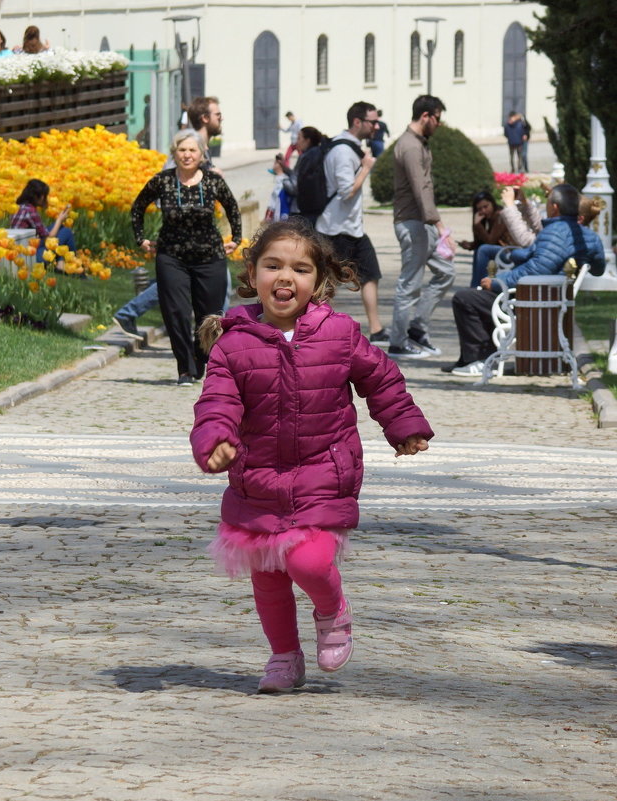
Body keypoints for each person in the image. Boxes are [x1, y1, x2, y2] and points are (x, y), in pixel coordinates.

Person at [191, 216, 433, 693]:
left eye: (300, 269)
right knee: (268, 577)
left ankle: (332, 608)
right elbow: (216, 401)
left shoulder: (338, 334)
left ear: (318, 282)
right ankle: (284, 657)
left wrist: (403, 426)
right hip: (257, 481)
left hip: (324, 472)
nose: (286, 277)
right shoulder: (232, 344)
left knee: (306, 561)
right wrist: (215, 441)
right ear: (253, 275)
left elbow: (380, 378)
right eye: (273, 266)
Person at [447, 183, 605, 376]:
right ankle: (476, 357)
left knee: (465, 299)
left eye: (548, 202)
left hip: (534, 302)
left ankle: (479, 360)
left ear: (554, 207)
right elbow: (598, 269)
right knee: (477, 296)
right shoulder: (590, 237)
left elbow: (536, 270)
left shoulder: (555, 232)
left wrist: (497, 281)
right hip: (552, 300)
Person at [131, 128, 242, 385]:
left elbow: (232, 208)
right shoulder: (163, 180)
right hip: (172, 256)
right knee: (176, 312)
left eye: (192, 150)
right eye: (182, 150)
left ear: (202, 153)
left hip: (209, 256)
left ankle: (201, 357)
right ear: (175, 153)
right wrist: (141, 239)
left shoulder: (213, 181)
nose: (187, 155)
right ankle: (184, 368)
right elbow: (138, 208)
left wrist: (236, 238)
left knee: (209, 316)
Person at [389, 94, 454, 359]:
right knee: (410, 283)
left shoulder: (418, 143)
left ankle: (417, 329)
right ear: (425, 116)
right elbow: (420, 189)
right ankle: (398, 342)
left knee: (446, 272)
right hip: (413, 222)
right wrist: (440, 226)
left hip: (422, 222)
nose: (440, 124)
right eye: (438, 118)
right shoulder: (411, 146)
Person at [316, 101, 387, 343]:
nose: (376, 126)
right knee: (327, 282)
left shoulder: (353, 148)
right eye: (372, 121)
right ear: (358, 122)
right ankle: (316, 328)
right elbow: (346, 191)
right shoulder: (342, 151)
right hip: (335, 229)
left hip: (353, 228)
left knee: (370, 273)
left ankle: (376, 329)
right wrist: (366, 168)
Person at [10, 178, 76, 270]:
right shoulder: (31, 211)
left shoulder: (19, 207)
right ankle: (69, 264)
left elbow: (41, 234)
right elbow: (49, 238)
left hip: (19, 251)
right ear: (38, 197)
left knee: (59, 228)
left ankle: (61, 264)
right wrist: (59, 219)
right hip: (30, 256)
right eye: (44, 196)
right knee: (66, 232)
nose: (45, 199)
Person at [162, 95, 223, 176]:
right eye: (218, 115)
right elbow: (169, 176)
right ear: (205, 118)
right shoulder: (188, 144)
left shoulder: (203, 147)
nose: (222, 118)